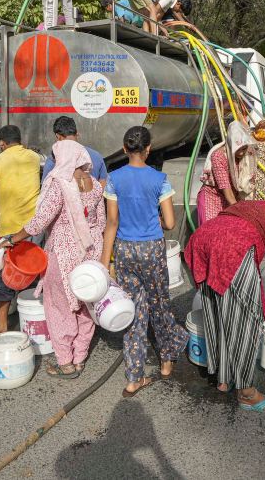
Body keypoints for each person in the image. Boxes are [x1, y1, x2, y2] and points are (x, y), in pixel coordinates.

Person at [184, 198, 265, 414]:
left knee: (219, 308)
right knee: (248, 319)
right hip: (233, 245)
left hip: (202, 237)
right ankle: (247, 393)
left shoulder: (258, 207)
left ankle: (223, 378)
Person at [3, 140, 105, 377]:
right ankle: (80, 357)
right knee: (86, 303)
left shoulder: (59, 183)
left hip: (63, 253)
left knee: (60, 307)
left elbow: (41, 221)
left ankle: (66, 363)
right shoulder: (96, 187)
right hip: (90, 254)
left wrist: (14, 238)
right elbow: (100, 223)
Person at [101, 126, 186, 396]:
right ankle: (165, 362)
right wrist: (156, 219)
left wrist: (105, 260)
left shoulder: (114, 179)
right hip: (152, 249)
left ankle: (134, 378)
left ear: (125, 149)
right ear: (148, 149)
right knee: (160, 305)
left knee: (133, 312)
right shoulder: (160, 179)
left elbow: (112, 222)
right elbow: (170, 222)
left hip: (125, 250)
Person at [0, 125, 42, 338]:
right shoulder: (34, 158)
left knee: (5, 278)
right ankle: (38, 320)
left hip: (9, 229)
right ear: (20, 140)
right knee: (34, 272)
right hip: (34, 227)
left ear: (1, 143)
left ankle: (1, 328)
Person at [196, 121, 255, 224]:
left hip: (233, 200)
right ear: (231, 144)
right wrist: (242, 213)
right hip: (213, 198)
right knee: (212, 233)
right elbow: (226, 189)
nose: (241, 153)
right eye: (238, 149)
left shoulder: (248, 154)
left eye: (244, 148)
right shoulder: (218, 156)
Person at [41, 116, 108, 182]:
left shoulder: (53, 159)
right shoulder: (96, 156)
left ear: (57, 136)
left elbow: (46, 187)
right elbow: (104, 182)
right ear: (77, 134)